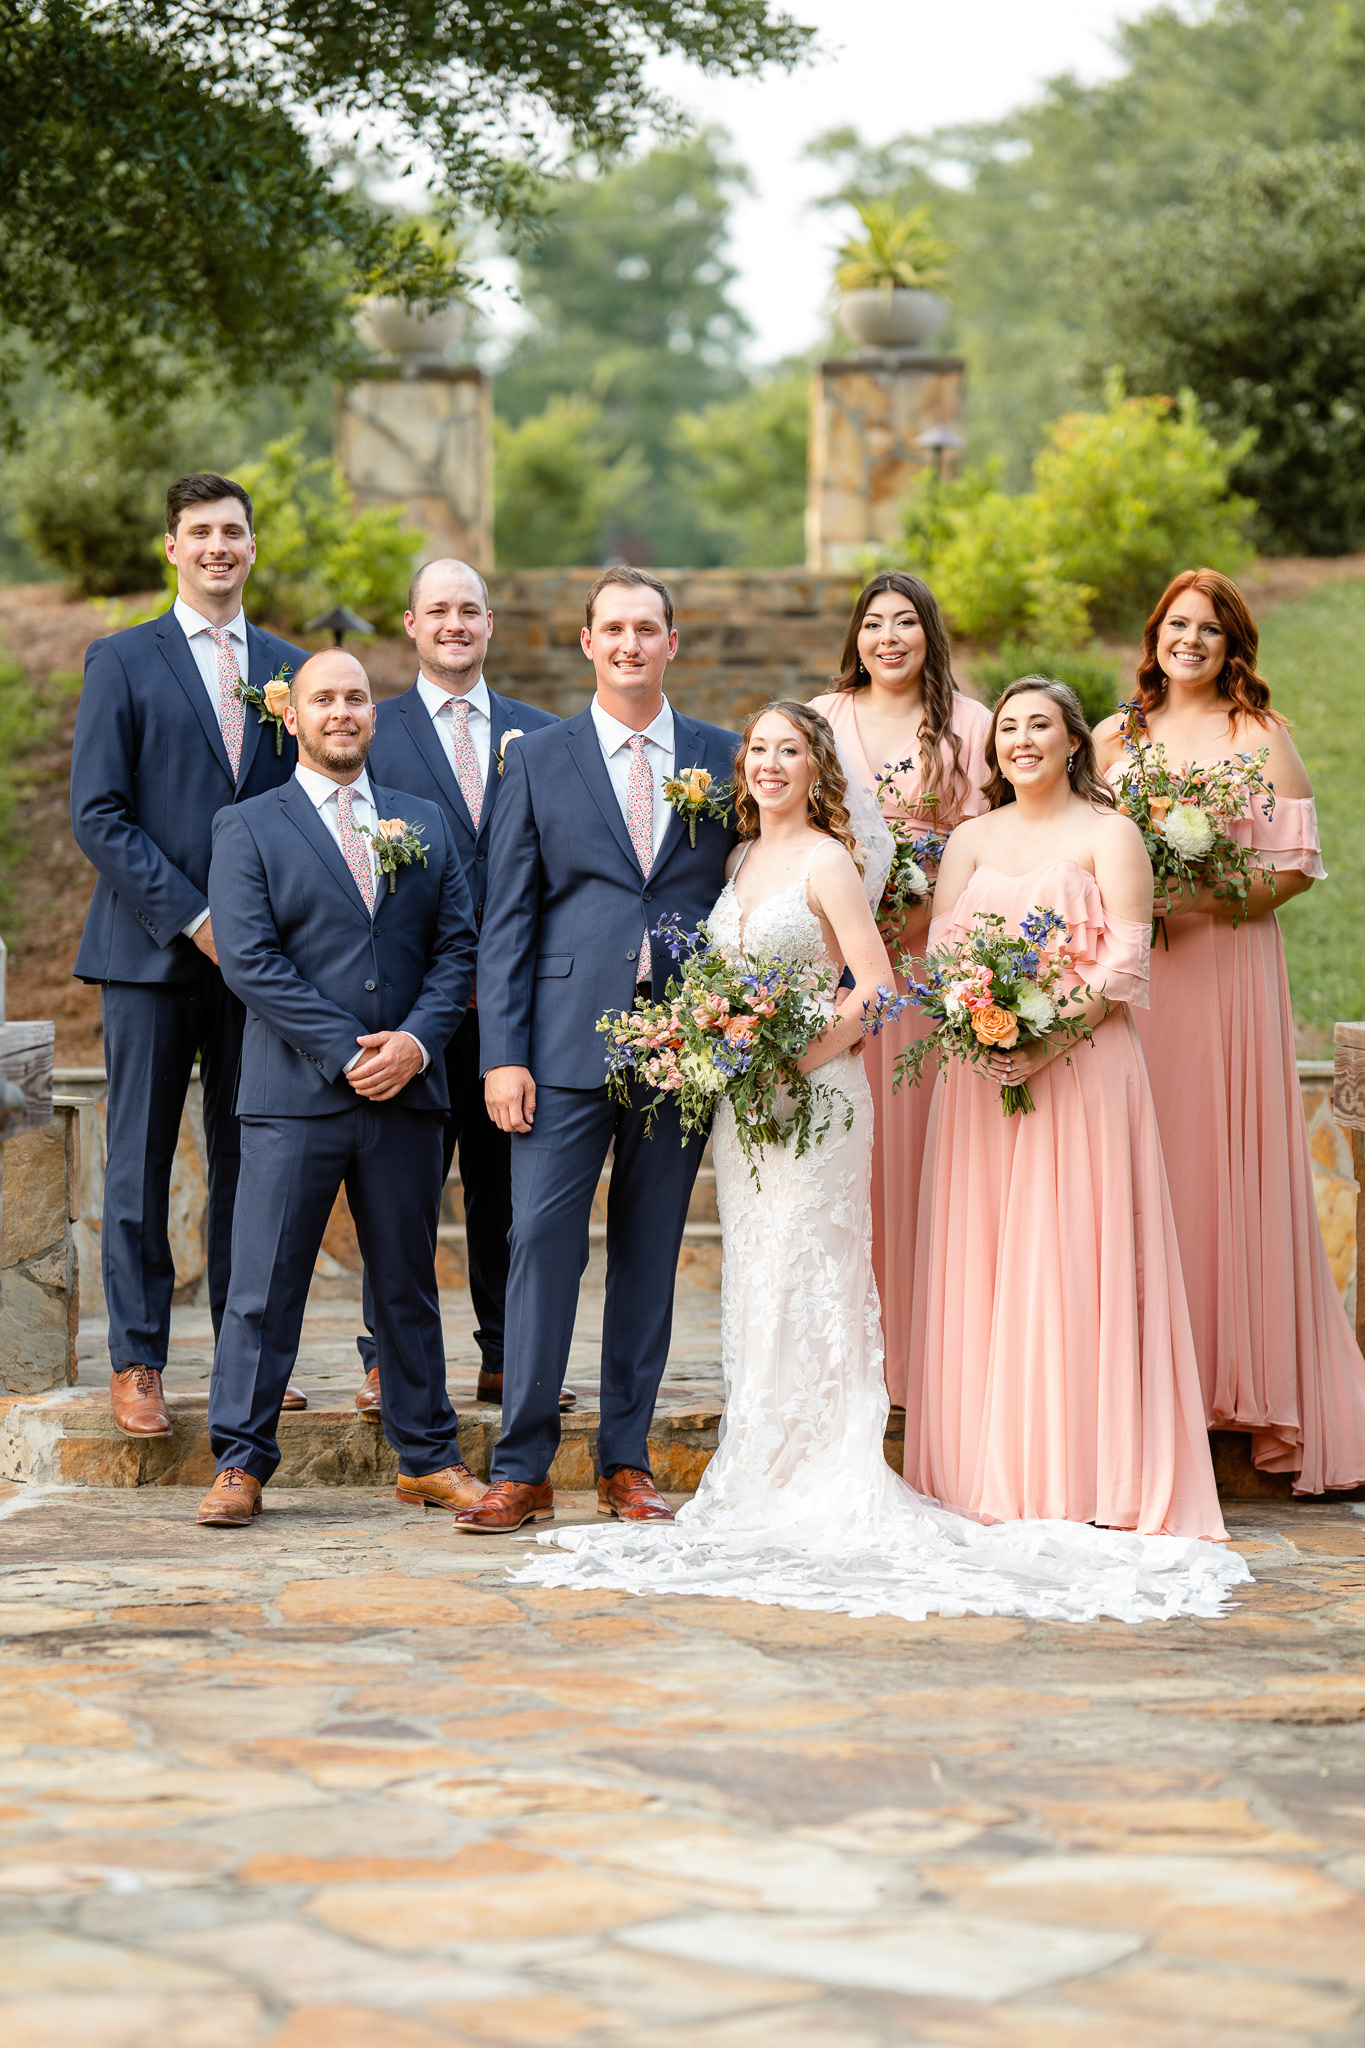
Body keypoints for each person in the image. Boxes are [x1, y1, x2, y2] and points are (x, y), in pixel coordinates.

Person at [511, 699, 1248, 1625]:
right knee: (758, 1278)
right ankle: (762, 1461)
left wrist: (796, 1054)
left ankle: (827, 1467)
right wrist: (719, 1039)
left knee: (814, 1271)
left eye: (789, 750)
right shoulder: (736, 862)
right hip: (748, 1106)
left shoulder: (826, 861)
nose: (771, 765)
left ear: (817, 767)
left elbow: (878, 987)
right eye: (758, 752)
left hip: (815, 1096)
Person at [451, 569, 741, 1535]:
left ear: (671, 641)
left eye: (645, 628)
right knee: (537, 1243)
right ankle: (523, 1464)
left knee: (650, 1251)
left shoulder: (722, 756)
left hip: (678, 1049)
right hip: (561, 1044)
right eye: (612, 628)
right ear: (586, 643)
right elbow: (505, 919)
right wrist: (503, 1055)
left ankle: (626, 1459)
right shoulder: (537, 758)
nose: (629, 643)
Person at [909, 678, 1229, 1539]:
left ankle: (1085, 1471)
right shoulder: (969, 838)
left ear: (1071, 741)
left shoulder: (1109, 833)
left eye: (1038, 725)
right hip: (978, 1080)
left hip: (1083, 1070)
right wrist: (984, 1030)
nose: (1020, 739)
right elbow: (942, 960)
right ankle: (985, 1465)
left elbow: (1124, 965)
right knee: (986, 1259)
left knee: (1071, 1255)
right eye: (1007, 726)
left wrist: (1044, 1040)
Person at [196, 649, 482, 1526]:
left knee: (406, 1285)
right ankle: (241, 1462)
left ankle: (427, 1457)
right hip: (293, 1094)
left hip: (407, 1094)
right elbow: (250, 960)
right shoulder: (248, 825)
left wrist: (415, 1045)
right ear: (294, 716)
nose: (343, 712)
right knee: (264, 1284)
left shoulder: (422, 820)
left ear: (372, 713)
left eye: (357, 698)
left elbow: (456, 949)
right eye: (324, 699)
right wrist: (346, 1050)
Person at [1094, 570, 1365, 1493]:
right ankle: (1139, 1379)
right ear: (1154, 634)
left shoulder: (1262, 736)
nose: (1191, 642)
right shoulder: (1113, 737)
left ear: (1232, 642)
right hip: (1136, 979)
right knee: (1142, 1164)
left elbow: (1295, 866)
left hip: (1224, 971)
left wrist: (1197, 892)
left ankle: (1233, 1381)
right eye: (1177, 626)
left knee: (1213, 1164)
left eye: (1209, 629)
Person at [71, 472, 307, 1441]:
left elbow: (304, 816)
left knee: (253, 1158)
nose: (219, 546)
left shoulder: (292, 668)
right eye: (201, 531)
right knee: (139, 1158)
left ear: (253, 547)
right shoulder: (121, 660)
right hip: (147, 952)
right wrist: (195, 914)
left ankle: (244, 1356)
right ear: (171, 546)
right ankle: (137, 1360)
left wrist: (260, 927)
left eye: (234, 531)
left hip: (260, 965)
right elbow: (98, 813)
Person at [358, 558, 559, 1418]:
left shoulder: (544, 735)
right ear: (410, 624)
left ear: (489, 623)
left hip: (515, 1008)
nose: (454, 624)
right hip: (411, 1008)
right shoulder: (374, 730)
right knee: (398, 1191)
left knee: (506, 1190)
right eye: (436, 610)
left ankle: (506, 1355)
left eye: (468, 610)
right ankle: (386, 1359)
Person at [809, 573, 991, 1407]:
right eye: (874, 623)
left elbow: (993, 838)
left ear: (928, 634)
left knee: (923, 1157)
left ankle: (931, 1357)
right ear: (854, 637)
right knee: (849, 1157)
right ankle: (850, 1356)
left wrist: (925, 899)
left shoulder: (972, 724)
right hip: (840, 971)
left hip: (928, 974)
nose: (889, 637)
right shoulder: (823, 718)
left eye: (905, 622)